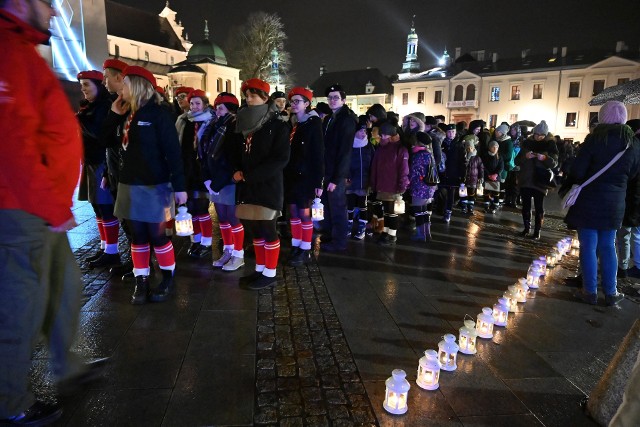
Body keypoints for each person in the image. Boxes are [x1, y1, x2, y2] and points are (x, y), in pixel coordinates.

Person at [0, 0, 105, 423]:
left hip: (42, 206)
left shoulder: (21, 49)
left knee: (64, 286)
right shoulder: (8, 52)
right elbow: (12, 143)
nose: (55, 14)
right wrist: (48, 205)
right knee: (19, 307)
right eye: (47, 4)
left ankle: (69, 365)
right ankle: (9, 402)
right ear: (20, 4)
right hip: (22, 206)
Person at [108, 66, 187, 304]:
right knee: (137, 236)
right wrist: (113, 114)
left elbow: (173, 152)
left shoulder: (159, 114)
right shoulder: (125, 113)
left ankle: (167, 277)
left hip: (156, 186)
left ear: (138, 86)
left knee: (158, 235)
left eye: (126, 83)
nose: (122, 88)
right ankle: (140, 279)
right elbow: (105, 140)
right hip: (129, 184)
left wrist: (180, 186)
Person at [561, 101, 640, 306]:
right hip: (615, 203)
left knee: (588, 247)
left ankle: (589, 292)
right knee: (608, 246)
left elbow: (578, 171)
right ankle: (611, 292)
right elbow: (633, 174)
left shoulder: (594, 139)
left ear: (602, 118)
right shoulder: (632, 143)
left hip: (589, 200)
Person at [231, 78, 290, 290]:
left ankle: (270, 272)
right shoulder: (242, 121)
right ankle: (260, 269)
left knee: (267, 228)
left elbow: (280, 158)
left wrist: (251, 176)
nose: (248, 99)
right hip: (247, 186)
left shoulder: (277, 125)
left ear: (265, 98)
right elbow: (238, 152)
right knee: (254, 228)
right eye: (246, 96)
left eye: (253, 96)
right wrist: (237, 171)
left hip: (267, 185)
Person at [76, 70, 122, 269]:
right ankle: (105, 248)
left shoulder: (104, 106)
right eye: (81, 85)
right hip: (90, 161)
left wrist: (77, 121)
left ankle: (112, 252)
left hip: (102, 162)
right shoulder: (90, 107)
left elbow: (99, 133)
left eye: (87, 84)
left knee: (106, 207)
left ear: (98, 85)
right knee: (96, 207)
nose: (83, 89)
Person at [200, 92, 245, 271]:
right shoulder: (214, 125)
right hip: (214, 179)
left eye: (220, 108)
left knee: (233, 218)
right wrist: (207, 178)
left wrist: (219, 181)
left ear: (231, 110)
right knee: (223, 219)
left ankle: (238, 255)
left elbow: (233, 158)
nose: (216, 111)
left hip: (227, 180)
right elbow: (204, 153)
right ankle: (228, 249)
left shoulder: (235, 128)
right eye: (216, 107)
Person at [284, 87, 324, 265]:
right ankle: (296, 243)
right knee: (293, 212)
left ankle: (305, 248)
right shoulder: (295, 123)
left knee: (304, 213)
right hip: (292, 175)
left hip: (306, 176)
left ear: (307, 104)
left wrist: (318, 181)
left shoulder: (313, 124)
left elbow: (318, 154)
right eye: (292, 101)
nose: (293, 104)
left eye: (297, 101)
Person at [102, 58, 134, 279]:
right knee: (125, 220)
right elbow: (106, 140)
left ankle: (140, 262)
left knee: (134, 222)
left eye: (106, 77)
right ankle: (135, 259)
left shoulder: (132, 106)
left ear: (119, 78)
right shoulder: (115, 104)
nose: (104, 82)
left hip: (130, 175)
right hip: (115, 171)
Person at [177, 89, 215, 259]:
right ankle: (196, 240)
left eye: (198, 103)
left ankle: (206, 242)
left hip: (203, 170)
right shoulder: (183, 121)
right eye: (192, 103)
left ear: (205, 105)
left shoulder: (210, 121)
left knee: (202, 208)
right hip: (186, 169)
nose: (194, 106)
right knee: (190, 208)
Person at [320, 84, 357, 252]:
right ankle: (328, 235)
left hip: (336, 173)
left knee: (337, 208)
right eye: (330, 98)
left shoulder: (346, 119)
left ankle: (339, 241)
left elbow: (345, 151)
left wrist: (337, 178)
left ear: (343, 100)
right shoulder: (329, 118)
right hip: (327, 169)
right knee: (327, 206)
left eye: (336, 97)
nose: (332, 100)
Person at [514, 120, 558, 239]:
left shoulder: (550, 145)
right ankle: (526, 228)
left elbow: (554, 164)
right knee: (526, 206)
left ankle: (537, 231)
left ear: (545, 135)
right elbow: (516, 161)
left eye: (541, 135)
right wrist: (525, 157)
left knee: (539, 207)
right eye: (536, 134)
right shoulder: (526, 143)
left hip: (540, 181)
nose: (538, 137)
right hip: (526, 179)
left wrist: (545, 158)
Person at [369, 123, 410, 245]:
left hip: (393, 186)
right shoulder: (381, 148)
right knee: (386, 210)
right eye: (381, 135)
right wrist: (373, 183)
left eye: (385, 135)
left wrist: (402, 185)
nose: (382, 137)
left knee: (391, 211)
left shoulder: (400, 149)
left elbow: (404, 169)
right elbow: (375, 166)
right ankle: (385, 233)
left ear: (392, 135)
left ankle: (391, 235)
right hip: (382, 184)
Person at [617, 119, 640, 279]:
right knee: (634, 234)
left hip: (632, 197)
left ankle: (627, 266)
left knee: (627, 234)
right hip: (634, 197)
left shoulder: (633, 147)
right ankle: (627, 266)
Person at [347, 116, 374, 240]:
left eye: (364, 131)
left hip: (364, 181)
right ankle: (348, 225)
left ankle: (362, 227)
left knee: (363, 205)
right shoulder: (348, 146)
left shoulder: (369, 147)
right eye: (360, 131)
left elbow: (374, 164)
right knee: (350, 205)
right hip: (350, 181)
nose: (363, 133)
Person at [409, 132, 438, 241]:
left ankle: (421, 234)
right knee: (424, 210)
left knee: (418, 210)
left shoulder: (418, 155)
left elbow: (414, 173)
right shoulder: (429, 153)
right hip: (429, 186)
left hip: (419, 186)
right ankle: (427, 234)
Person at [440, 124, 465, 222]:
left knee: (451, 193)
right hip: (442, 172)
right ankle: (441, 209)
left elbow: (462, 161)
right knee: (440, 192)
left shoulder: (459, 144)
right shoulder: (442, 143)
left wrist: (462, 175)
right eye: (449, 132)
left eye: (453, 132)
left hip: (453, 173)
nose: (451, 134)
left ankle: (448, 212)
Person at [461, 135, 484, 215]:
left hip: (473, 179)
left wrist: (481, 177)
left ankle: (470, 208)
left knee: (471, 194)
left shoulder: (477, 158)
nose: (469, 149)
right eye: (467, 147)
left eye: (470, 147)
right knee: (463, 194)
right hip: (464, 179)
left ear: (473, 148)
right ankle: (463, 207)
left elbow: (481, 168)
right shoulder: (463, 157)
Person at [481, 140, 504, 214]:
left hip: (495, 178)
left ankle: (494, 206)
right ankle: (486, 206)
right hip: (488, 176)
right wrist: (488, 174)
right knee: (487, 192)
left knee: (495, 192)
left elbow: (501, 167)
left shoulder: (499, 157)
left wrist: (496, 174)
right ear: (490, 148)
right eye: (493, 147)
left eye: (496, 147)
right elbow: (483, 166)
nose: (495, 149)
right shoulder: (485, 156)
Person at [494, 124, 514, 208]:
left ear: (502, 133)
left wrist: (498, 156)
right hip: (495, 165)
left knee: (501, 184)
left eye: (498, 131)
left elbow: (508, 156)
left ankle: (500, 201)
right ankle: (494, 200)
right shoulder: (497, 140)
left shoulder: (508, 142)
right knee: (494, 184)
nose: (496, 132)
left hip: (503, 167)